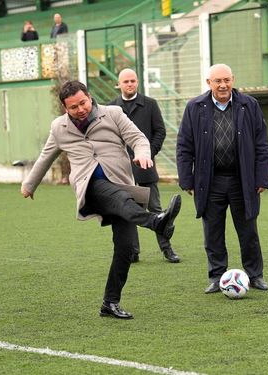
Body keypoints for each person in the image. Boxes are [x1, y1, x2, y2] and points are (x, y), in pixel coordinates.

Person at [21, 81, 181, 319]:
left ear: (89, 97)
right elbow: (46, 156)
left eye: (83, 103)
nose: (80, 109)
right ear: (65, 108)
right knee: (117, 196)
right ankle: (156, 222)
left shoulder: (114, 113)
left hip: (122, 185)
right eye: (73, 107)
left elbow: (138, 138)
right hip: (90, 187)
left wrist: (142, 154)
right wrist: (29, 184)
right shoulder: (59, 127)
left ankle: (110, 303)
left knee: (125, 248)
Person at [176, 64, 268, 293]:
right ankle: (217, 276)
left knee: (248, 231)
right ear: (208, 82)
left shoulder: (249, 105)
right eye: (217, 81)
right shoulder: (195, 107)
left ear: (233, 79)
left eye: (226, 80)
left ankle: (255, 275)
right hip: (210, 180)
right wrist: (187, 180)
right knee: (213, 232)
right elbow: (184, 145)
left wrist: (261, 178)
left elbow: (262, 143)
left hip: (243, 179)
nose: (223, 85)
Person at [109, 68, 180, 263]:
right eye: (126, 81)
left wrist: (148, 153)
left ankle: (167, 250)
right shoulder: (111, 108)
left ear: (137, 82)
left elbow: (160, 132)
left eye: (133, 80)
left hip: (146, 168)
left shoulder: (150, 104)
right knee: (126, 211)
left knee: (156, 210)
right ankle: (133, 252)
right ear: (119, 84)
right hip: (121, 170)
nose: (130, 84)